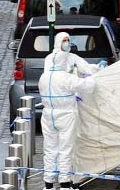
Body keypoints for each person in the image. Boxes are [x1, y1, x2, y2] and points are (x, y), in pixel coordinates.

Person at [39, 49, 96, 190]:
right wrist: (89, 76)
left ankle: (48, 183)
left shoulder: (44, 77)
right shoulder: (66, 78)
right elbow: (89, 87)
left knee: (50, 149)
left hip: (48, 115)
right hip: (66, 115)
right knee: (65, 148)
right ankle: (64, 182)